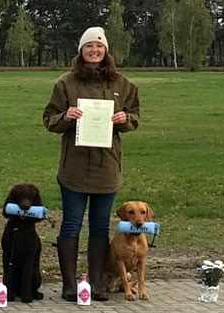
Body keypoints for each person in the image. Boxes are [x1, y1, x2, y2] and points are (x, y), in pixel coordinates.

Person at [44, 26, 140, 302]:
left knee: (99, 226)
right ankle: (69, 285)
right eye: (89, 47)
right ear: (81, 51)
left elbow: (135, 116)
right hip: (74, 168)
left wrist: (126, 120)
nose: (94, 51)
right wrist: (66, 116)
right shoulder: (65, 83)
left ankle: (97, 283)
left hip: (107, 168)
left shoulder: (123, 84)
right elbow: (49, 119)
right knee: (71, 225)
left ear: (106, 51)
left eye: (99, 47)